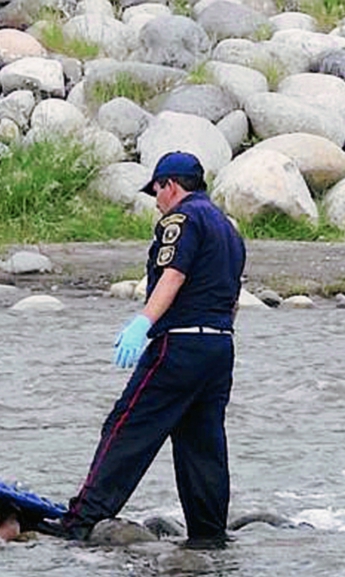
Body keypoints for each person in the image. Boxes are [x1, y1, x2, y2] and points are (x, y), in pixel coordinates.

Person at [49, 151, 246, 549]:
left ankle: (82, 521)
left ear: (169, 185)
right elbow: (234, 296)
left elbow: (174, 275)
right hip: (220, 347)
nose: (156, 202)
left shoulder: (181, 219)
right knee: (201, 444)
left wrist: (143, 322)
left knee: (127, 426)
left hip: (180, 345)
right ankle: (209, 535)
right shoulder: (227, 228)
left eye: (156, 191)